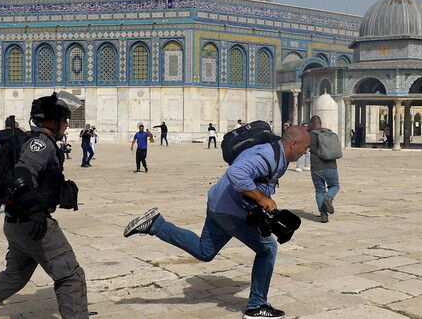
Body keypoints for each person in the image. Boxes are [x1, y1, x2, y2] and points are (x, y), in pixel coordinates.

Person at [124, 125, 310, 319]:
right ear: (293, 143)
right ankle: (257, 306)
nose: (306, 151)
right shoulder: (268, 157)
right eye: (305, 147)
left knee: (205, 251)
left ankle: (156, 224)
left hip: (218, 201)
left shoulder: (275, 152)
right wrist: (261, 198)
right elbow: (236, 173)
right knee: (268, 249)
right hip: (231, 210)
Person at [0, 91, 88, 319]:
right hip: (34, 225)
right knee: (70, 276)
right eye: (64, 120)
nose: (67, 124)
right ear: (51, 121)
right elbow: (20, 175)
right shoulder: (41, 143)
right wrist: (36, 211)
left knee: (14, 276)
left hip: (16, 223)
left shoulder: (40, 141)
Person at [308, 115, 339, 223]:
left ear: (311, 124)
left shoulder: (310, 135)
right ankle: (329, 197)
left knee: (320, 191)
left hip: (316, 167)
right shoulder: (329, 133)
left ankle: (324, 215)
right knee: (334, 185)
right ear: (320, 123)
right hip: (331, 165)